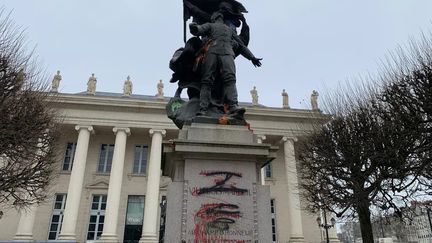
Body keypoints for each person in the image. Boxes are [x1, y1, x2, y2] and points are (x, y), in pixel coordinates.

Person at [189, 12, 262, 116]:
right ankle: (206, 108)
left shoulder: (224, 28)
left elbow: (241, 46)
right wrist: (252, 58)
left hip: (222, 53)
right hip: (219, 53)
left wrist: (252, 57)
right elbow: (199, 30)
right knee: (214, 80)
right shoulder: (217, 27)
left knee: (221, 79)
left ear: (214, 18)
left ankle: (229, 106)